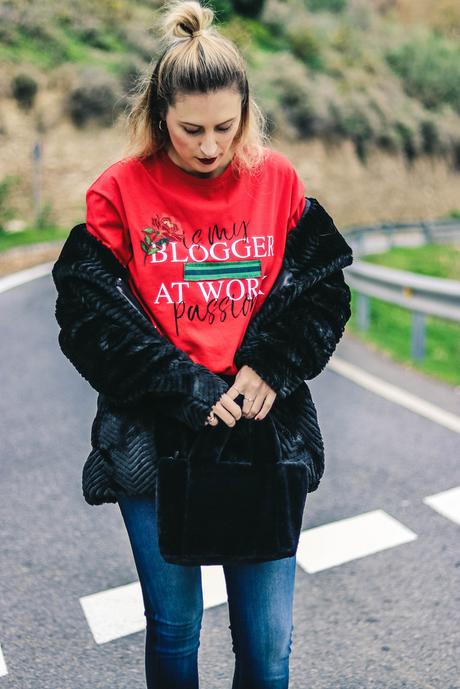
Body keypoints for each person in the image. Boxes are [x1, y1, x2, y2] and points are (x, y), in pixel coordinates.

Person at [52, 1, 353, 687]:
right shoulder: (120, 191)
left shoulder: (278, 182)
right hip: (155, 440)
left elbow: (324, 291)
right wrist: (185, 386)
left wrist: (274, 365)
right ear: (160, 119)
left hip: (260, 437)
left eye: (226, 126)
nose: (211, 145)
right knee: (176, 627)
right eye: (191, 130)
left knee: (270, 646)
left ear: (247, 114)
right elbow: (86, 316)